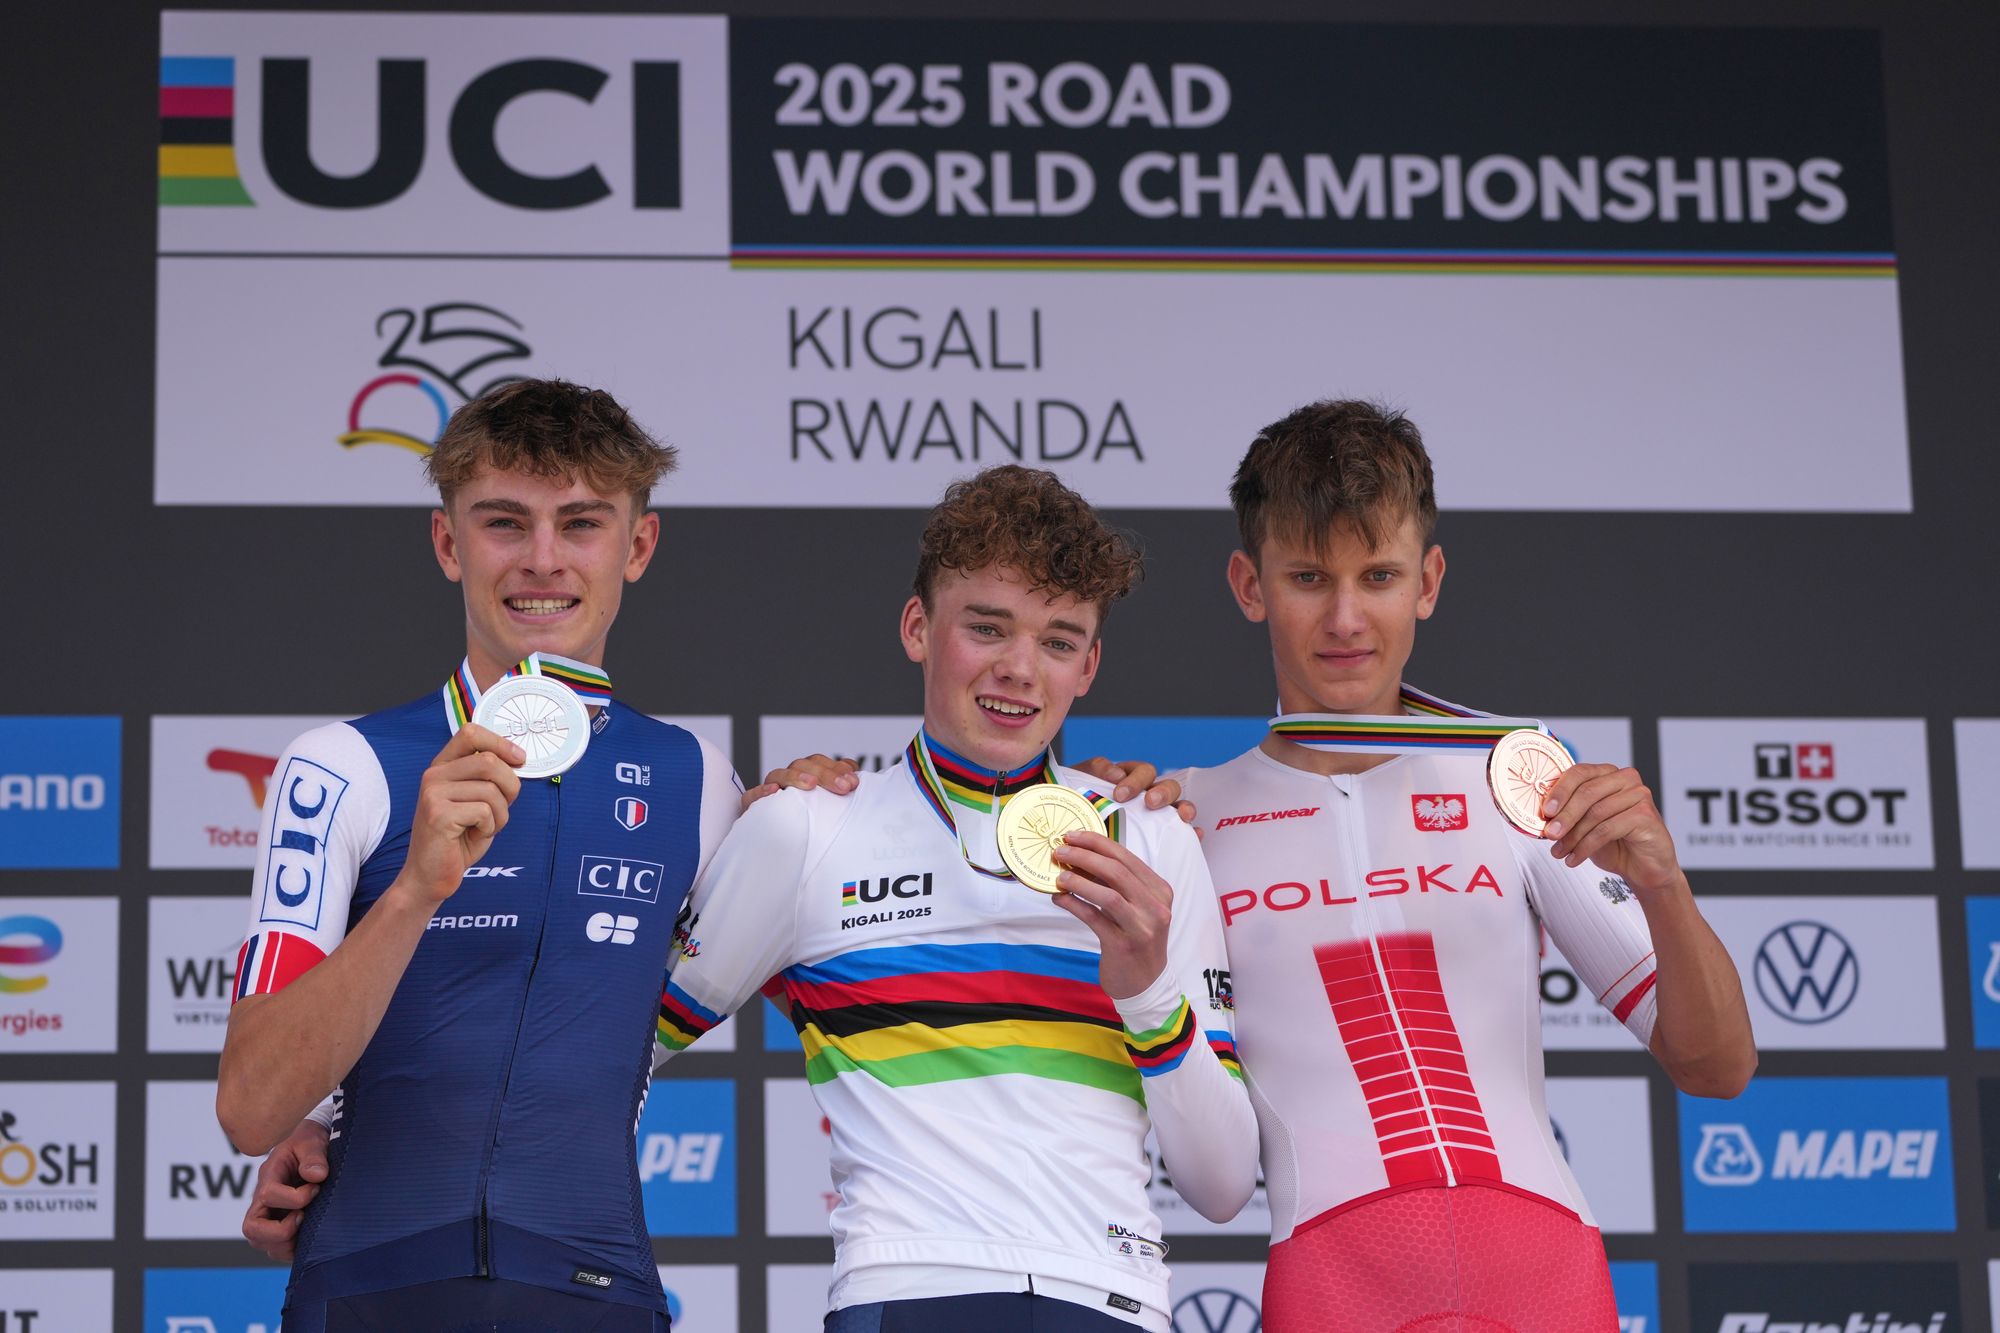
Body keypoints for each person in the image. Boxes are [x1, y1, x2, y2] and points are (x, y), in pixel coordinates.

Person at [1093, 400, 1758, 1331]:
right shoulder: (1187, 817)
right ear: (1250, 584)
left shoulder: (1516, 777)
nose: (1346, 617)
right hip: (1336, 1283)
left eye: (1380, 575)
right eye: (1308, 577)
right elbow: (1211, 1177)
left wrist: (1663, 884)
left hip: (1544, 1275)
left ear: (1429, 579)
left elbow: (1718, 1065)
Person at [655, 465, 1257, 1332]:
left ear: (1089, 665)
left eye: (1057, 640)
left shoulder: (1150, 840)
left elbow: (1223, 1182)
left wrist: (1148, 987)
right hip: (905, 1288)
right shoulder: (806, 830)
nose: (1019, 668)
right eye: (987, 627)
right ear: (918, 627)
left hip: (1112, 1296)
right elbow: (614, 1063)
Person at [215, 379, 741, 1332]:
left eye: (581, 524)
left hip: (597, 1292)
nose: (542, 561)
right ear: (450, 543)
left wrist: (1098, 790)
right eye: (506, 522)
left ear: (638, 546)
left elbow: (865, 906)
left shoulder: (700, 779)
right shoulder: (341, 766)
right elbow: (253, 1108)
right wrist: (416, 886)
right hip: (368, 1288)